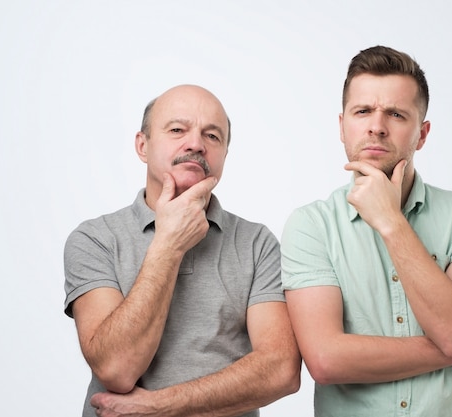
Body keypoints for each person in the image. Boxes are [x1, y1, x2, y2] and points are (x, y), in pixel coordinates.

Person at [280, 45, 452, 416]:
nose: (376, 125)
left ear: (422, 133)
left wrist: (391, 222)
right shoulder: (311, 226)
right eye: (363, 111)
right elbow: (325, 361)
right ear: (342, 127)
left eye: (396, 114)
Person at [63, 84, 301, 417]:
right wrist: (168, 244)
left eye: (213, 136)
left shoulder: (256, 243)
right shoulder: (95, 239)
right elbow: (116, 368)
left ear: (225, 156)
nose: (196, 144)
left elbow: (281, 371)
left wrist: (158, 406)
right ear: (142, 145)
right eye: (177, 130)